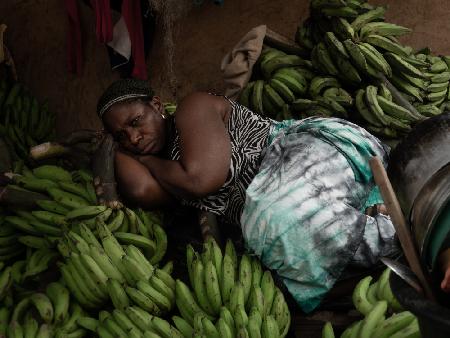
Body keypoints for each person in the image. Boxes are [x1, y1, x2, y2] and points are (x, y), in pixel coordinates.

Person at [97, 78, 401, 313]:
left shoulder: (192, 108)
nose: (134, 138)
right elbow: (141, 190)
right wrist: (112, 149)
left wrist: (147, 161)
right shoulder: (166, 172)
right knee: (275, 245)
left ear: (157, 105)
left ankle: (396, 236)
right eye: (122, 137)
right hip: (277, 206)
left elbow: (202, 179)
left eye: (136, 122)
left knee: (270, 217)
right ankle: (375, 227)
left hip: (297, 153)